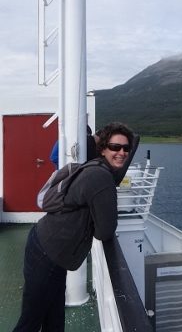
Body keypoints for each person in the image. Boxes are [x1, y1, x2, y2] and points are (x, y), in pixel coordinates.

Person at [14, 122, 134, 332]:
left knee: (54, 316)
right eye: (115, 147)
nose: (121, 152)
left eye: (126, 148)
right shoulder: (101, 178)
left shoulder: (94, 166)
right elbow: (104, 230)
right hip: (48, 251)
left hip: (46, 247)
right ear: (103, 149)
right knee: (30, 321)